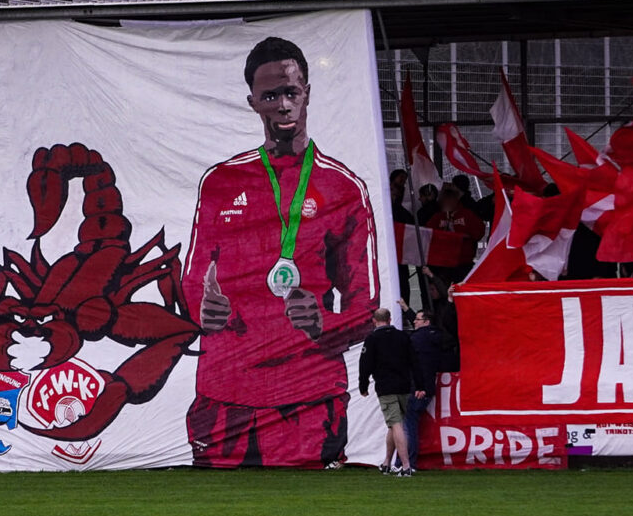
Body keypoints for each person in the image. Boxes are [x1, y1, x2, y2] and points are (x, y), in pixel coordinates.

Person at [183, 36, 379, 467]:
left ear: (307, 93)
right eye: (270, 95)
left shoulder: (344, 188)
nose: (283, 105)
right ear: (253, 102)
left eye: (291, 92)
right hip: (224, 394)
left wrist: (326, 324)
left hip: (308, 399)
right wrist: (202, 305)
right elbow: (192, 279)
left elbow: (366, 307)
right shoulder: (220, 183)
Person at [358, 308, 415, 475]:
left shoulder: (373, 339)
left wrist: (363, 385)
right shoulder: (403, 336)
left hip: (386, 387)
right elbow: (414, 360)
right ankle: (387, 462)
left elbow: (365, 364)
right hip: (404, 386)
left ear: (374, 321)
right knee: (394, 424)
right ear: (390, 320)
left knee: (396, 424)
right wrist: (419, 384)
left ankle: (405, 466)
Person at [403, 307, 455, 469]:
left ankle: (407, 462)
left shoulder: (418, 339)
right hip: (427, 387)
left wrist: (418, 386)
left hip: (418, 388)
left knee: (408, 426)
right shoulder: (436, 338)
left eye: (417, 319)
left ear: (426, 322)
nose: (414, 322)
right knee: (412, 424)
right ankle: (407, 461)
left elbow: (417, 365)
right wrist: (407, 309)